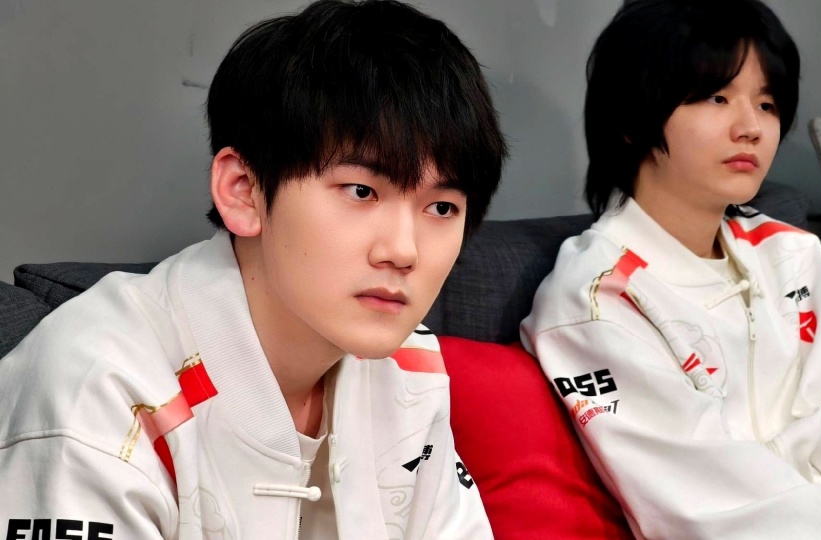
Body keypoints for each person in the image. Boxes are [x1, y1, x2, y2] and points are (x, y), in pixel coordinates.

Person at [0, 1, 506, 538]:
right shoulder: (102, 389)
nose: (404, 251)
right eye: (361, 191)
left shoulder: (409, 362)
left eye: (441, 207)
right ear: (243, 192)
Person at [520, 0, 821, 538]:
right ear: (631, 120)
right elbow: (727, 513)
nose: (751, 127)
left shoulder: (803, 260)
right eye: (717, 97)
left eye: (767, 104)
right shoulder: (596, 302)